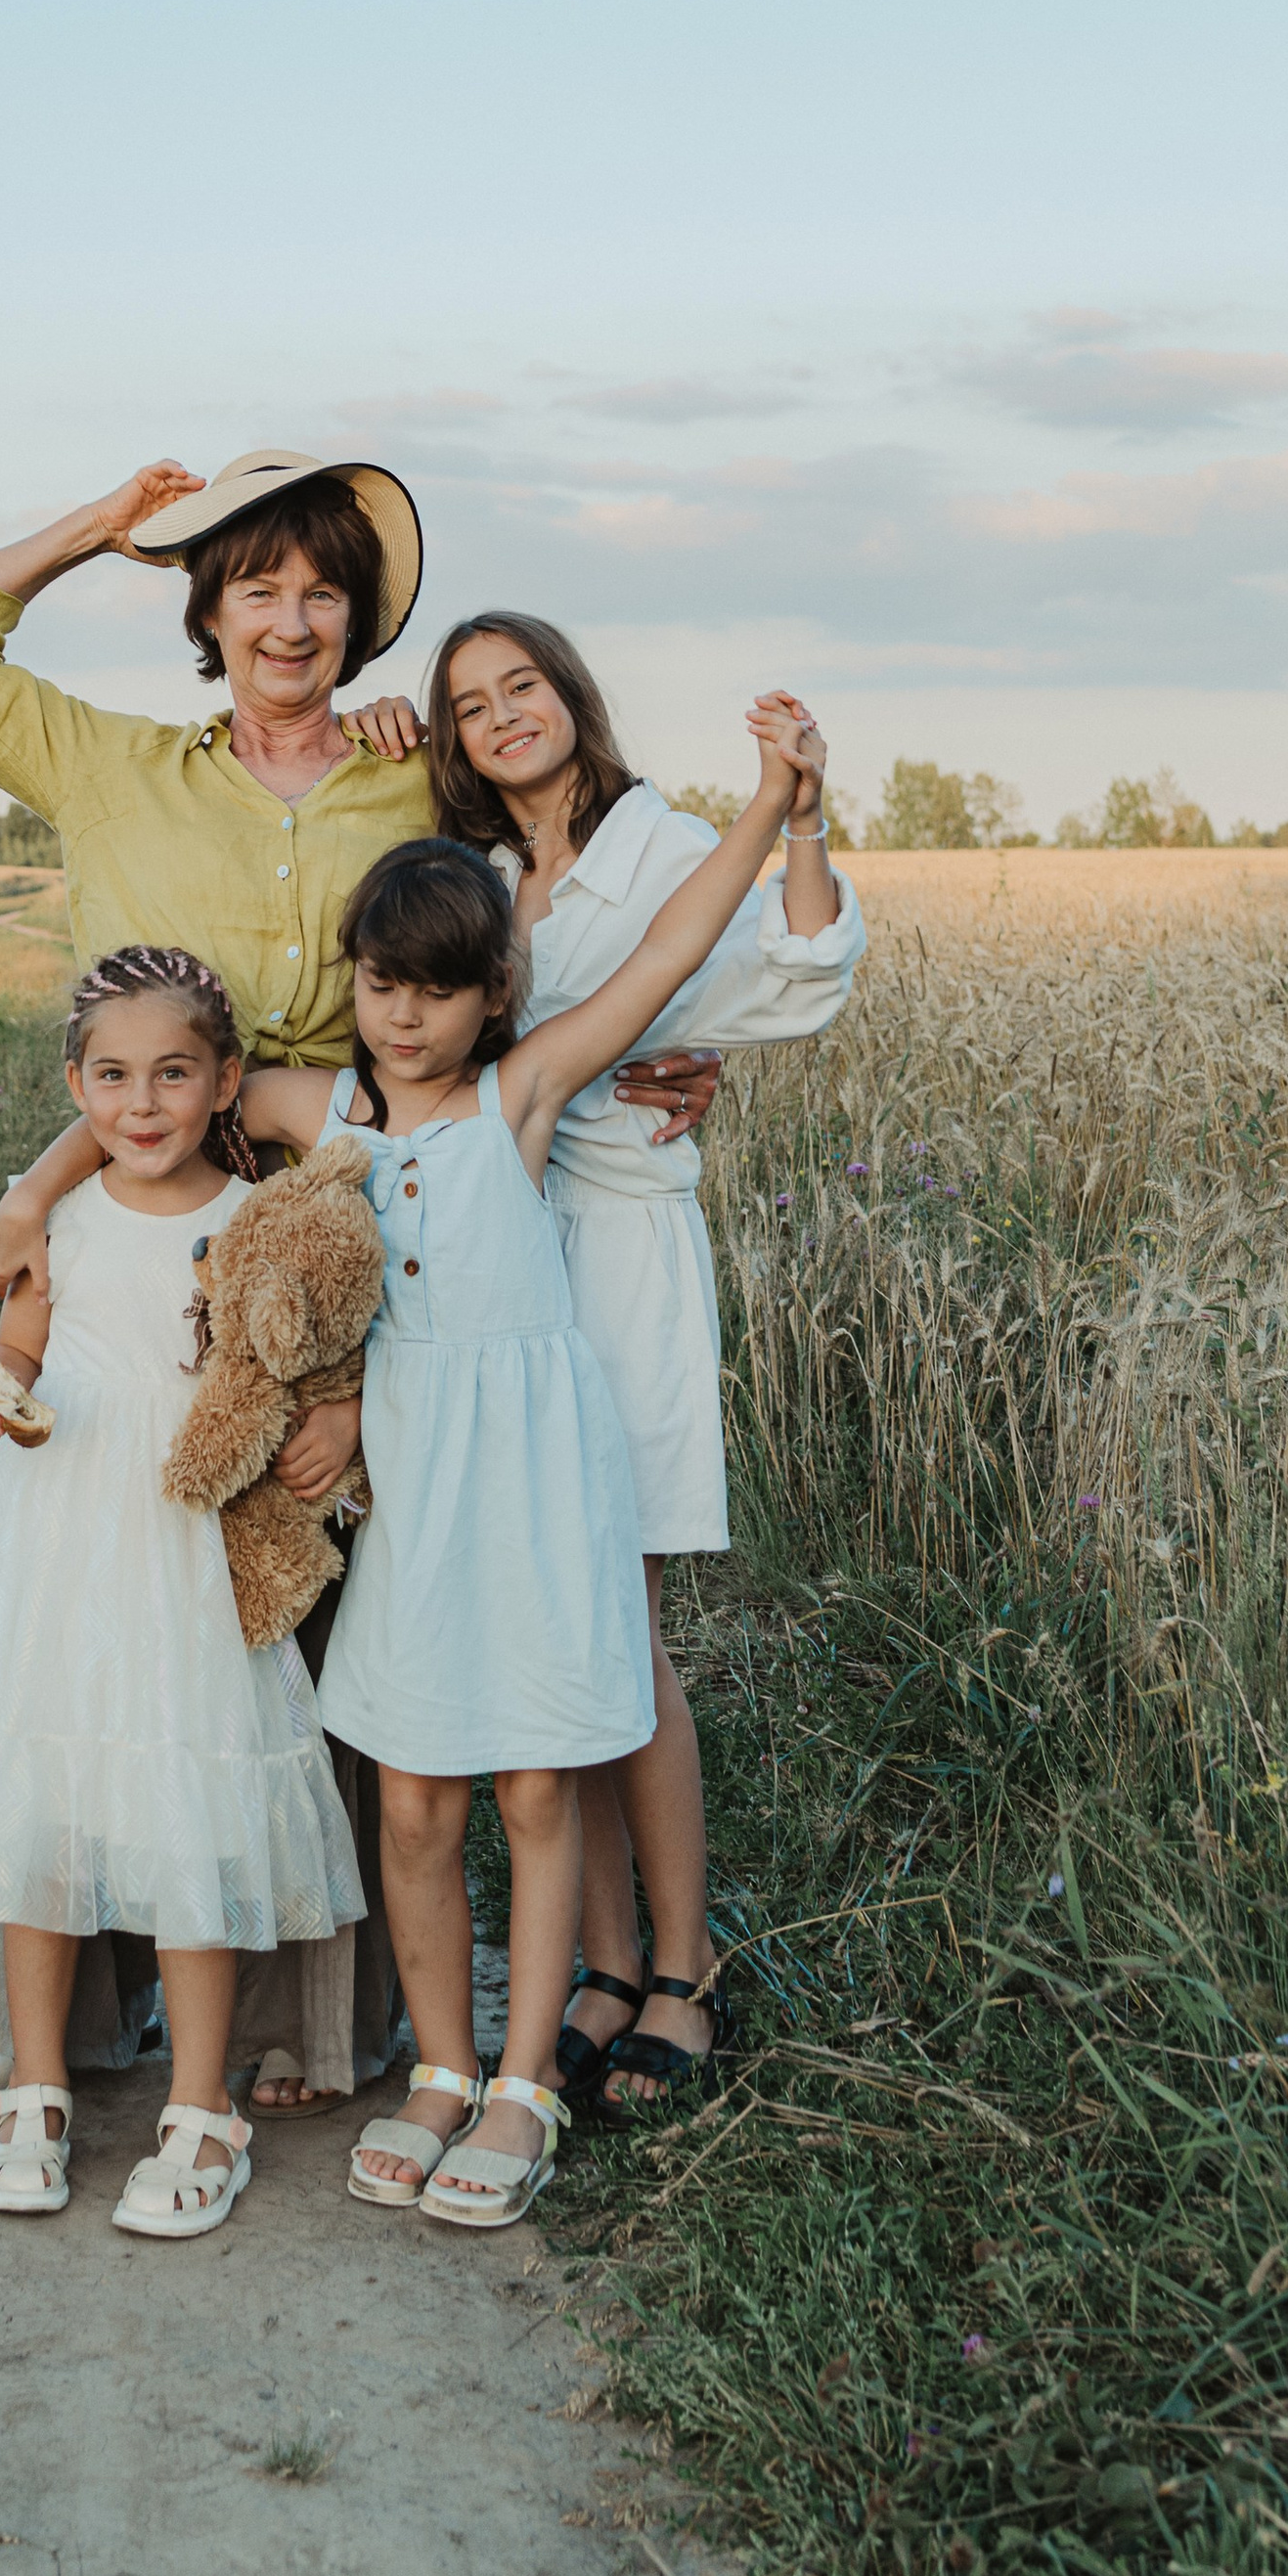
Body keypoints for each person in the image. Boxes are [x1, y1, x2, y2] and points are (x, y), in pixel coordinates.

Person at [0, 452, 716, 2110]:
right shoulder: (114, 770)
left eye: (323, 590)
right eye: (254, 585)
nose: (291, 618)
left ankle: (304, 2035)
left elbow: (548, 952)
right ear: (200, 607)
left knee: (323, 1629)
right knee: (119, 1604)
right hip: (144, 1245)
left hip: (358, 1256)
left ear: (357, 623)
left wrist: (671, 1067)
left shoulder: (413, 790)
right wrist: (91, 530)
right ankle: (85, 2018)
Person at [219, 689, 825, 2230]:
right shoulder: (329, 1114)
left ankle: (528, 2079)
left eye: (437, 989)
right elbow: (176, 1086)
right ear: (355, 988)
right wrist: (43, 1193)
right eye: (379, 986)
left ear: (495, 993)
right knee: (419, 1798)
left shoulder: (523, 1096)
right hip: (416, 1499)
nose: (405, 1016)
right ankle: (438, 2064)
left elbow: (677, 948)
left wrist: (770, 806)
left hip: (543, 1492)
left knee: (541, 1789)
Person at [421, 614, 863, 2118]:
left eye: (522, 688)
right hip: (496, 1249)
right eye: (472, 706)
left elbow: (796, 977)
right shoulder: (470, 875)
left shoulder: (664, 838)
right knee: (547, 1613)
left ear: (570, 694)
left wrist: (798, 814)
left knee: (625, 1616)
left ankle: (685, 1967)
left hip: (617, 1250)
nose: (503, 718)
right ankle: (601, 1963)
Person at [0, 946, 362, 2239]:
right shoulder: (58, 1222)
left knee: (192, 1807)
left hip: (186, 1547)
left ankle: (201, 2107)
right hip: (53, 1537)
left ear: (225, 1085)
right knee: (40, 1815)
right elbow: (19, 1346)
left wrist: (346, 1417)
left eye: (171, 1074)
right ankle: (33, 2091)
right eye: (110, 1076)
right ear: (74, 1086)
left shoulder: (257, 1221)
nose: (140, 1104)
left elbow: (308, 1357)